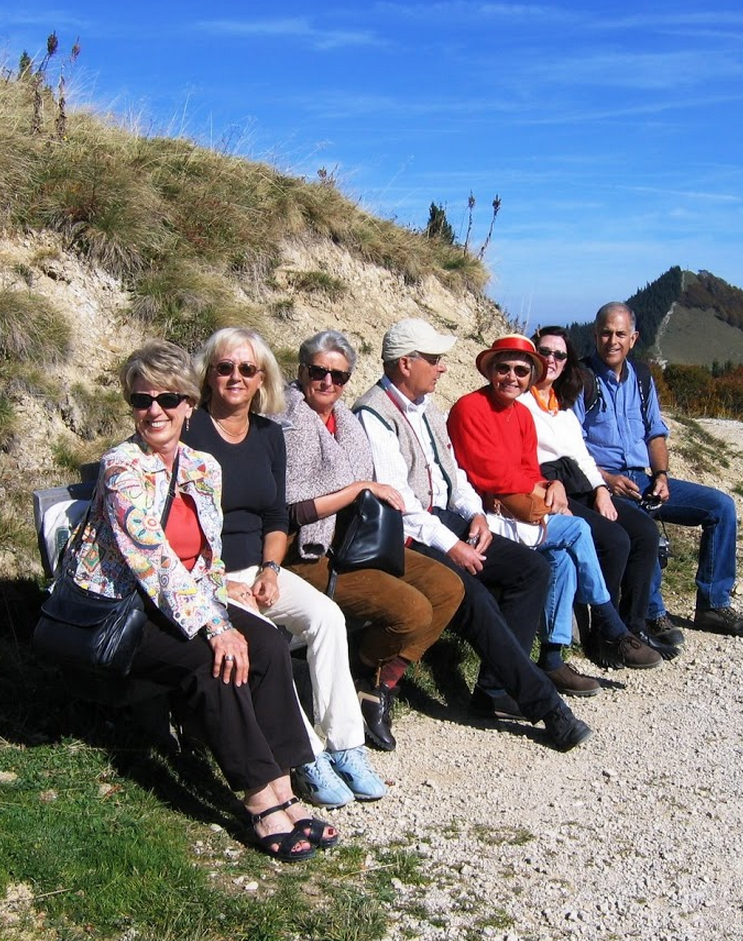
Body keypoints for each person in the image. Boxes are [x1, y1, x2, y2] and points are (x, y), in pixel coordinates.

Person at [61, 339, 332, 862]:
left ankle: (284, 786)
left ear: (189, 404)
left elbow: (204, 557)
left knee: (270, 645)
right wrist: (216, 625)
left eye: (168, 399)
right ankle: (259, 800)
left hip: (178, 602)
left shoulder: (204, 467)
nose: (155, 411)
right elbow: (154, 562)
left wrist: (221, 600)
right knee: (219, 661)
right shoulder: (123, 468)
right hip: (121, 611)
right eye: (142, 401)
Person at [353, 318, 592, 752]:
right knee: (474, 596)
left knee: (531, 569)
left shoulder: (423, 407)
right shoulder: (374, 415)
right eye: (434, 359)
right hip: (408, 534)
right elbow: (401, 503)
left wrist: (475, 515)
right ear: (405, 364)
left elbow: (454, 474)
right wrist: (453, 544)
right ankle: (546, 706)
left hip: (447, 519)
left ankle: (497, 687)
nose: (442, 368)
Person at [181, 327, 388, 809]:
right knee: (270, 643)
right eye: (225, 367)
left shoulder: (269, 435)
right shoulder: (188, 429)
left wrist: (271, 569)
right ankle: (306, 755)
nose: (235, 377)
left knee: (327, 618)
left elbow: (276, 518)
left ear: (262, 380)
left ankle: (345, 743)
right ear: (208, 374)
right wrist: (220, 583)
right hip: (207, 577)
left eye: (247, 369)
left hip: (259, 567)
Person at [279, 329, 465, 752]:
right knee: (412, 612)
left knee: (448, 588)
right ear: (302, 370)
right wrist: (359, 488)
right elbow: (294, 510)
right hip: (307, 551)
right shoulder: (288, 421)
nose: (328, 383)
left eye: (339, 377)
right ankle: (358, 673)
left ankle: (376, 681)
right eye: (319, 372)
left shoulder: (344, 421)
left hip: (354, 541)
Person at [447, 335, 662, 697]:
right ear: (490, 370)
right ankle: (609, 622)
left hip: (517, 508)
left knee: (560, 558)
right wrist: (541, 490)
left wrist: (548, 484)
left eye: (520, 370)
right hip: (485, 511)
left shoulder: (520, 415)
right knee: (577, 528)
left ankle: (552, 657)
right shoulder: (471, 407)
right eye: (504, 368)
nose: (512, 377)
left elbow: (529, 467)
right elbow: (489, 472)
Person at [575, 302, 743, 638]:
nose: (612, 341)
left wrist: (661, 476)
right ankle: (653, 614)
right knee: (645, 527)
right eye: (605, 333)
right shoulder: (580, 379)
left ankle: (713, 604)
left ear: (634, 338)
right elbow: (570, 445)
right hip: (604, 485)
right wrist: (606, 479)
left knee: (720, 507)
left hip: (643, 478)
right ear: (595, 334)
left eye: (620, 334)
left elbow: (655, 433)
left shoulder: (642, 378)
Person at [522, 325, 684, 652]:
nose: (551, 359)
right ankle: (603, 637)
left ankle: (633, 626)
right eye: (545, 352)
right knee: (614, 539)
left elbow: (581, 452)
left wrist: (600, 489)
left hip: (581, 480)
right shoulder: (523, 400)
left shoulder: (562, 401)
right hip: (551, 485)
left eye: (560, 354)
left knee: (644, 531)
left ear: (568, 362)